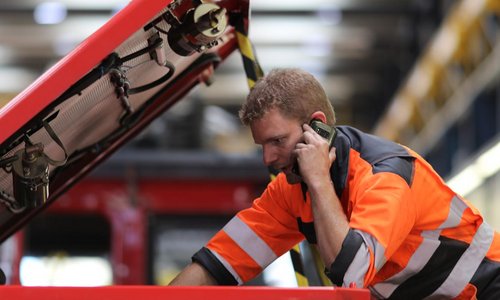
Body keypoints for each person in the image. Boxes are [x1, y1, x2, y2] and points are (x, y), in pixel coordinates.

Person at [169, 68, 500, 299]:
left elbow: (352, 273)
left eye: (277, 141)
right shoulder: (290, 192)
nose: (268, 159)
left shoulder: (387, 175)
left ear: (317, 128)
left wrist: (318, 181)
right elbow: (220, 262)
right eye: (262, 146)